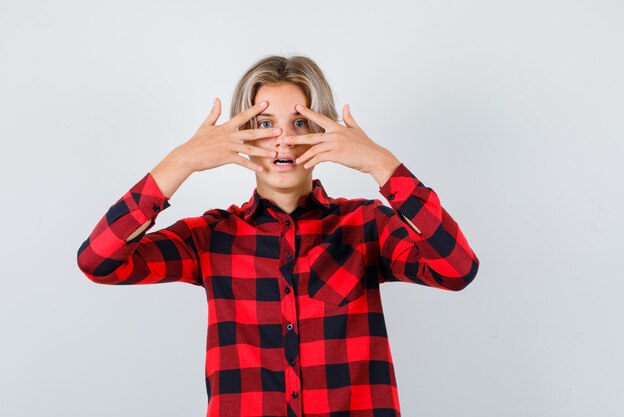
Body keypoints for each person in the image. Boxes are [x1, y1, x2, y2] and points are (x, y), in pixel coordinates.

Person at [77, 54, 480, 417]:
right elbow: (98, 261)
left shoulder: (366, 225)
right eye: (265, 124)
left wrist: (381, 163)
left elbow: (457, 268)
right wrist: (180, 162)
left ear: (326, 133)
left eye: (300, 123)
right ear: (242, 135)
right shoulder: (210, 237)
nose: (283, 139)